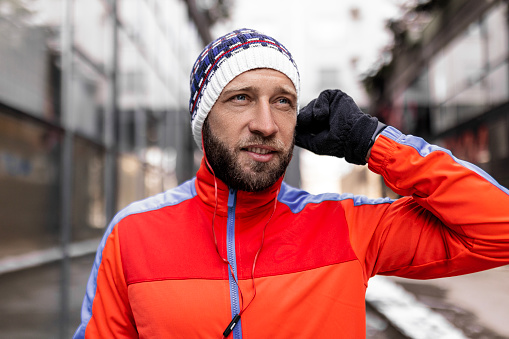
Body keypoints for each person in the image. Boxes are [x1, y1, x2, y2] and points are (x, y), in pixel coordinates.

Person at [73, 28, 509, 338]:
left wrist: (374, 142)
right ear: (203, 120)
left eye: (282, 102)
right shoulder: (133, 234)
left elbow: (500, 228)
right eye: (241, 97)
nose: (265, 124)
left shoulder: (346, 225)